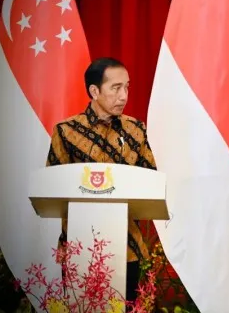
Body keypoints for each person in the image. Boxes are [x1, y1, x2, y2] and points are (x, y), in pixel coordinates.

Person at [46, 57, 157, 304]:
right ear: (94, 91)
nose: (124, 95)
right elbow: (51, 187)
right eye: (115, 88)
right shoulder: (66, 131)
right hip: (78, 245)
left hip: (128, 248)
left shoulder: (136, 130)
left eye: (127, 87)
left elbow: (151, 180)